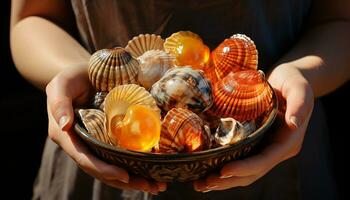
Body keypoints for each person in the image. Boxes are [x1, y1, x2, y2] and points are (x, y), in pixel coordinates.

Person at [10, 0, 349, 199]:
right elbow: (33, 16)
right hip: (98, 146)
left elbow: (339, 20)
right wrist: (84, 73)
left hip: (278, 142)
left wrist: (303, 73)